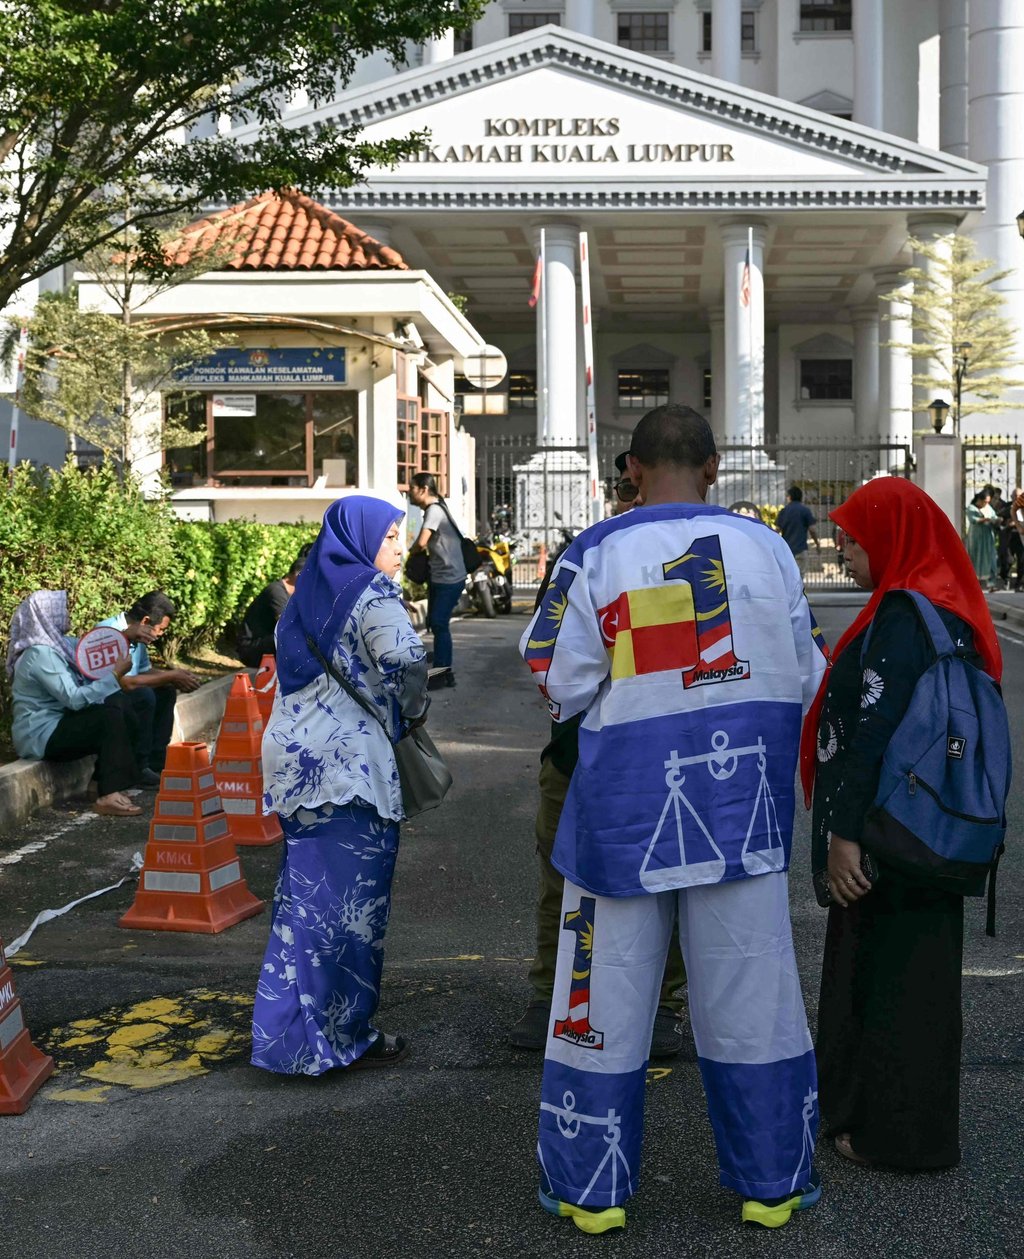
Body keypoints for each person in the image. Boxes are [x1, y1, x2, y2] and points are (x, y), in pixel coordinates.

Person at [521, 405, 828, 1233]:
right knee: (753, 994)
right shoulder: (770, 550)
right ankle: (772, 1182)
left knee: (602, 995)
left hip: (621, 812)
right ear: (716, 464)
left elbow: (553, 678)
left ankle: (592, 1194)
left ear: (630, 469)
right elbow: (807, 673)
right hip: (743, 809)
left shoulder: (593, 554)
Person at [802, 477, 1001, 1172]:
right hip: (930, 832)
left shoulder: (901, 618)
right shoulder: (944, 607)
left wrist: (843, 836)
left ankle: (897, 1137)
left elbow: (870, 735)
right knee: (915, 981)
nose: (844, 550)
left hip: (887, 836)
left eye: (854, 539)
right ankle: (892, 1123)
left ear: (892, 538)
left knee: (889, 987)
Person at [508, 451, 687, 1059]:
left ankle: (661, 1004)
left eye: (629, 484)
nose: (625, 496)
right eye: (619, 488)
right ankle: (551, 997)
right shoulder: (584, 555)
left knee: (666, 877)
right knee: (566, 877)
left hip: (653, 757)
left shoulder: (688, 556)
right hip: (581, 755)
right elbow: (549, 657)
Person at [252, 496, 429, 1075]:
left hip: (295, 765)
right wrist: (411, 709)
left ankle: (288, 1041)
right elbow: (406, 661)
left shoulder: (303, 598)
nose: (400, 548)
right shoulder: (371, 593)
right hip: (350, 772)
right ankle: (340, 1036)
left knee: (305, 904)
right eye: (391, 537)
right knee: (352, 912)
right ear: (361, 539)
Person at [7, 590, 142, 816]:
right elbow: (74, 699)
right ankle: (107, 794)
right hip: (41, 735)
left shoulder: (57, 645)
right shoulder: (39, 654)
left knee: (117, 702)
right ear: (46, 614)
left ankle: (99, 784)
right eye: (62, 609)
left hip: (59, 723)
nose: (67, 613)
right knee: (107, 718)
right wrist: (115, 676)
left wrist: (128, 634)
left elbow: (94, 647)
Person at [100, 591, 199, 786]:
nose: (161, 635)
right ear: (146, 621)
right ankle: (139, 766)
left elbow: (145, 671)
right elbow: (124, 682)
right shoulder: (109, 632)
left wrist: (176, 676)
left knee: (165, 690)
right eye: (160, 629)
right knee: (145, 696)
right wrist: (170, 675)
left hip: (126, 689)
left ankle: (156, 763)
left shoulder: (139, 635)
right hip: (105, 696)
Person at [407, 472, 467, 688]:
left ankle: (442, 672)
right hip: (442, 576)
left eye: (412, 488)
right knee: (435, 622)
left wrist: (407, 554)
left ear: (423, 489)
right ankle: (445, 670)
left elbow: (421, 542)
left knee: (440, 624)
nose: (408, 493)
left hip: (449, 577)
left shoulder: (434, 510)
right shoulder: (437, 507)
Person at [235, 546, 312, 668]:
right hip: (251, 649)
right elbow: (288, 626)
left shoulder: (293, 594)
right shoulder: (276, 592)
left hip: (266, 644)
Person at [776, 486, 819, 576]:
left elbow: (777, 531)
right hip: (801, 549)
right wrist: (817, 544)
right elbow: (812, 530)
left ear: (790, 497)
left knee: (787, 577)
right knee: (800, 577)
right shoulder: (805, 511)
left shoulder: (784, 511)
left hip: (786, 551)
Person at [965, 488, 999, 590]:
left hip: (988, 537)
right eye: (985, 502)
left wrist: (996, 520)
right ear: (979, 500)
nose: (986, 504)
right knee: (976, 557)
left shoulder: (988, 508)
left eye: (988, 502)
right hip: (976, 537)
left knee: (991, 558)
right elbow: (973, 520)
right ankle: (975, 583)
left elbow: (994, 516)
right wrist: (985, 519)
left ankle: (991, 583)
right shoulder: (971, 508)